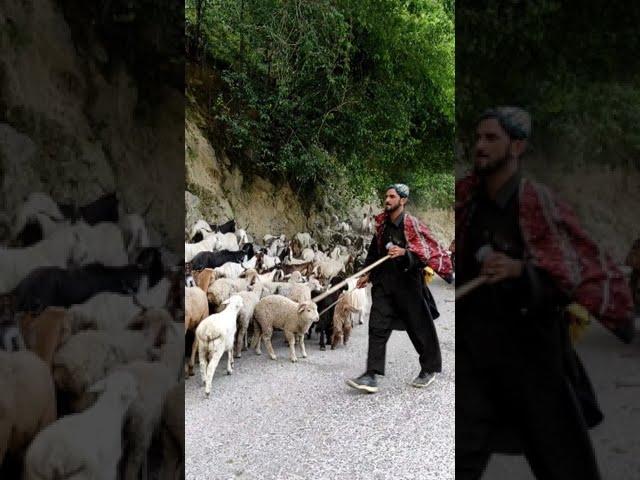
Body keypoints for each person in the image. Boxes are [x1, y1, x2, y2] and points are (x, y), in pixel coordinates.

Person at [455, 106, 634, 480]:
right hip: (475, 360)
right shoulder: (466, 202)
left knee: (566, 466)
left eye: (491, 138)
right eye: (477, 138)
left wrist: (521, 271)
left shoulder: (537, 203)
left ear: (516, 147)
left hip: (533, 360)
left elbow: (569, 274)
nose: (480, 146)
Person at [346, 183, 453, 394]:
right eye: (386, 196)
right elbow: (374, 254)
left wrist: (405, 253)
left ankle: (429, 369)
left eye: (392, 197)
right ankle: (371, 375)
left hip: (409, 286)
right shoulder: (382, 226)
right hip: (384, 285)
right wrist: (366, 274)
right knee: (377, 326)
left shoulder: (412, 225)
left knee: (419, 327)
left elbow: (425, 256)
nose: (387, 200)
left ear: (402, 200)